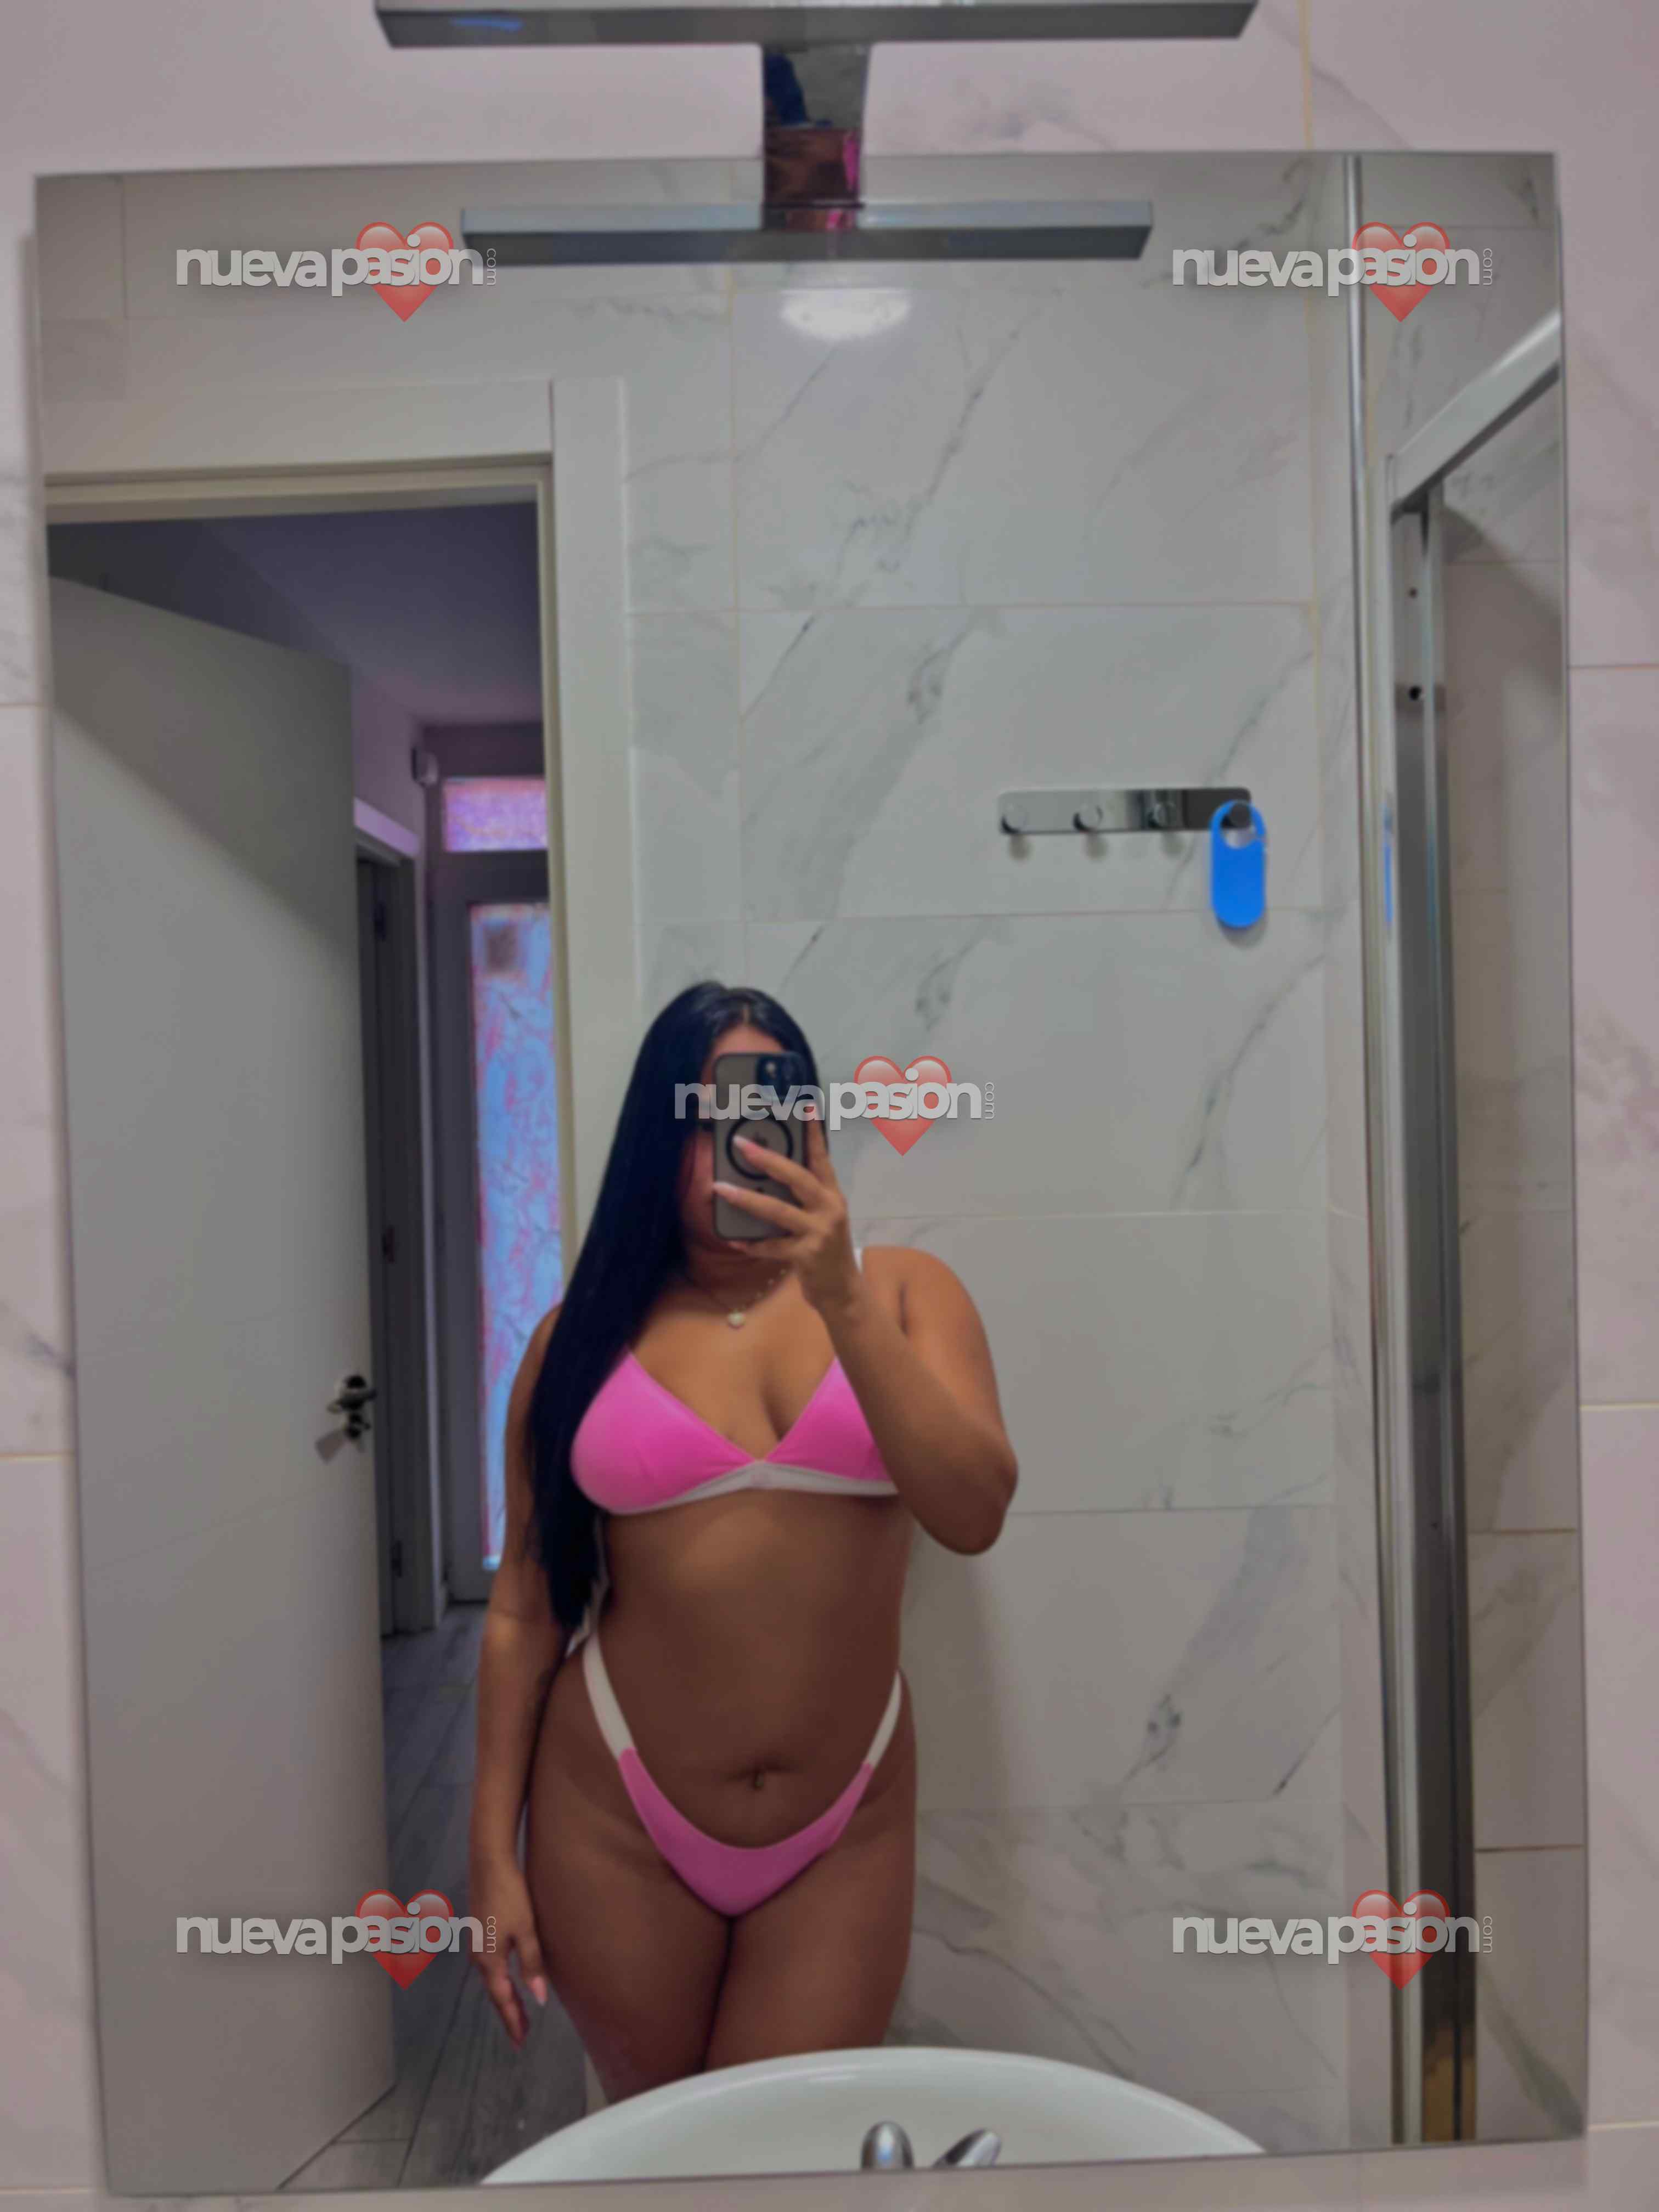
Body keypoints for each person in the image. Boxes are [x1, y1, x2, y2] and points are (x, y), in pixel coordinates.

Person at [467, 982, 1017, 2097]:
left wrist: (837, 1296)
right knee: (665, 2151)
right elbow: (525, 1607)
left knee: (786, 2153)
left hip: (843, 1826)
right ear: (655, 1139)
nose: (741, 1148)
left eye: (768, 1113)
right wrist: (488, 1853)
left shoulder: (901, 1296)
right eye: (706, 1119)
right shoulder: (580, 1340)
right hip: (614, 1812)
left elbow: (974, 1512)